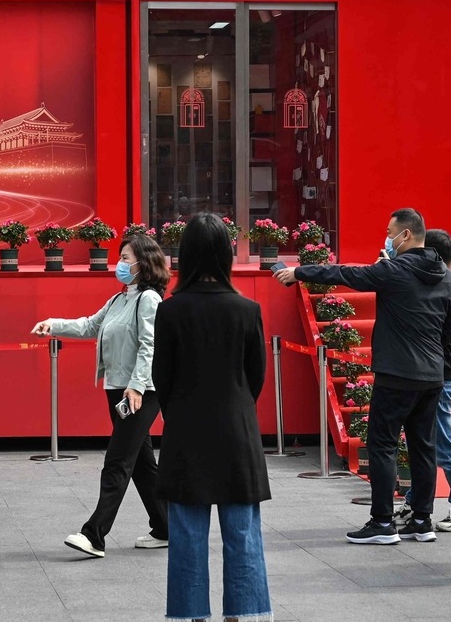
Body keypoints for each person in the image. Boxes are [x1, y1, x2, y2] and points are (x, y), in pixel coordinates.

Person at [274, 207, 451, 544]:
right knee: (423, 448)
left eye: (390, 232)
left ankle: (383, 522)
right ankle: (422, 519)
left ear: (406, 234)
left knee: (382, 444)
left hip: (397, 372)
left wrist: (299, 271)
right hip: (432, 374)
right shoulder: (445, 275)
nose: (387, 237)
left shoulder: (394, 270)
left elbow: (346, 273)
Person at [153, 213, 272, 622]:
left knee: (187, 535)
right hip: (238, 433)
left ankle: (190, 615)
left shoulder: (171, 311)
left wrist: (182, 411)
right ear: (226, 254)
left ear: (184, 255)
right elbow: (256, 377)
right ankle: (247, 614)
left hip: (186, 432)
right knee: (242, 533)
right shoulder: (247, 310)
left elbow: (162, 378)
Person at [31, 232, 169, 558]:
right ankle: (167, 528)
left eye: (125, 258)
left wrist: (137, 385)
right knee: (142, 464)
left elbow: (150, 346)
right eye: (120, 257)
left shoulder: (149, 300)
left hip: (140, 391)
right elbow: (89, 326)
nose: (119, 264)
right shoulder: (120, 299)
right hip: (118, 388)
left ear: (143, 264)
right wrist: (53, 324)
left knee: (117, 461)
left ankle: (94, 534)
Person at [394, 229, 451, 532]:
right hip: (436, 372)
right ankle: (415, 503)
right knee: (424, 445)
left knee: (442, 445)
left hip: (441, 374)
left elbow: (444, 335)